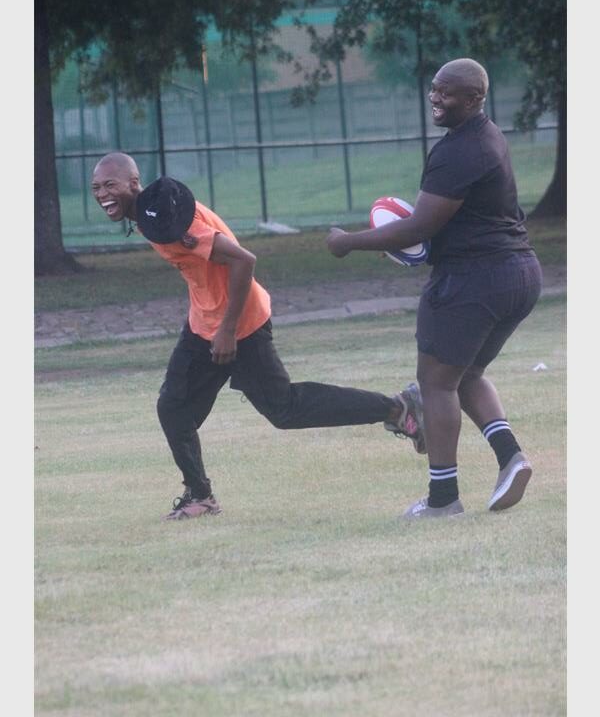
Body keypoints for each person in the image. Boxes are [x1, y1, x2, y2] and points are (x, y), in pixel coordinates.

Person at [91, 152, 425, 520]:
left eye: (110, 185)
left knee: (285, 409)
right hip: (204, 324)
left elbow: (243, 260)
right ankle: (200, 495)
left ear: (133, 184)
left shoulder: (174, 222)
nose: (102, 193)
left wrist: (228, 331)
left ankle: (398, 407)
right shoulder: (150, 214)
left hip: (240, 324)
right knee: (174, 409)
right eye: (96, 188)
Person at [327, 58, 543, 519]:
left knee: (436, 383)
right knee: (466, 375)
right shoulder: (490, 136)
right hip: (519, 273)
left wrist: (348, 242)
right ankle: (511, 458)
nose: (435, 98)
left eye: (447, 93)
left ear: (473, 99)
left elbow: (416, 228)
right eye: (433, 90)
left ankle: (443, 499)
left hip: (474, 280)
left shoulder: (457, 151)